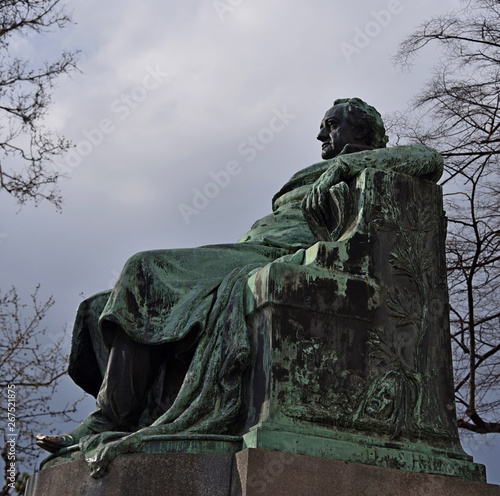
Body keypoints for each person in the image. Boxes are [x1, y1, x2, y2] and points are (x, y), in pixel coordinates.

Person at [36, 98, 442, 458]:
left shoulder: (369, 164)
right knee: (97, 307)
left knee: (143, 268)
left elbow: (430, 159)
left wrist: (346, 163)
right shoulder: (314, 173)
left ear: (362, 132)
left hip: (277, 256)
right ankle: (136, 412)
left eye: (332, 124)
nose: (320, 133)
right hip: (244, 249)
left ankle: (109, 419)